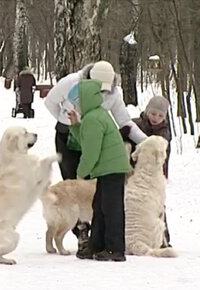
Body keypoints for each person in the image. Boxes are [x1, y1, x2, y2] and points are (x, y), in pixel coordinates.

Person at [44, 60, 148, 257]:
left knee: (104, 202)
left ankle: (109, 245)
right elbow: (50, 102)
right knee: (87, 197)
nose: (102, 93)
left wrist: (145, 141)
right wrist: (66, 120)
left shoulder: (101, 109)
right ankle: (87, 238)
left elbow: (121, 124)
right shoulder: (72, 83)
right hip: (70, 134)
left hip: (100, 149)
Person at [67, 79, 132, 261]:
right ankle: (97, 245)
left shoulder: (93, 119)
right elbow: (87, 140)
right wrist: (75, 126)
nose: (75, 107)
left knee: (111, 209)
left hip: (112, 169)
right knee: (100, 207)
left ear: (83, 101)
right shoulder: (94, 117)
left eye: (75, 103)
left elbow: (90, 152)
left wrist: (81, 173)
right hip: (107, 169)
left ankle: (115, 249)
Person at [120, 95, 173, 248]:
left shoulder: (164, 132)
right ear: (147, 111)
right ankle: (128, 235)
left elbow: (163, 156)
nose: (156, 118)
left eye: (160, 115)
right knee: (130, 203)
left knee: (157, 204)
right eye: (153, 114)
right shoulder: (136, 124)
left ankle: (163, 237)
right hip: (131, 170)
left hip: (152, 174)